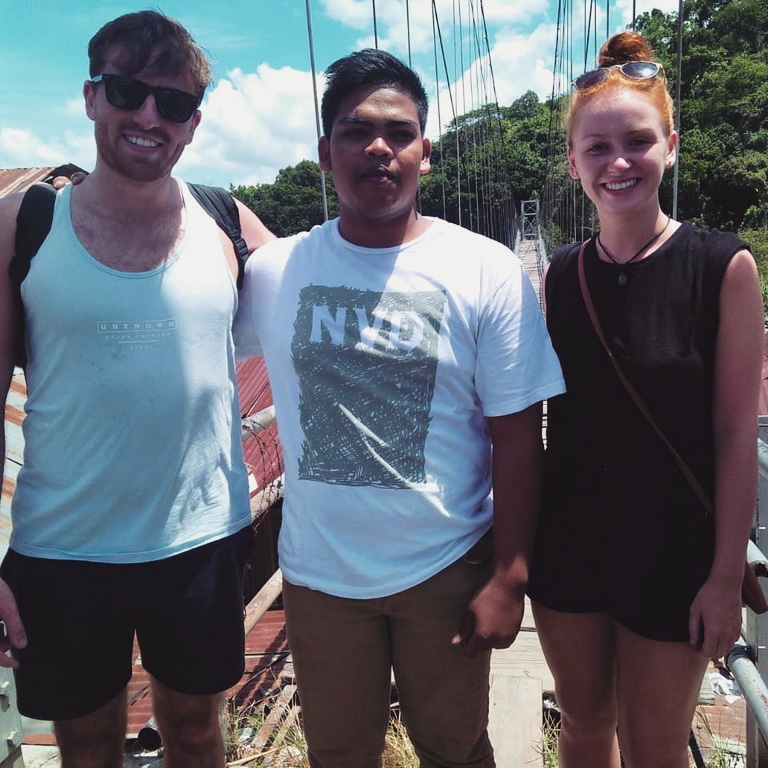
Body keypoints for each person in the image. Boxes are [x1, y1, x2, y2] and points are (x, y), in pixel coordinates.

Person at [233, 48, 565, 768]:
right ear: (325, 152)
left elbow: (517, 438)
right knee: (339, 754)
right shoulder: (273, 270)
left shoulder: (486, 269)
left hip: (445, 567)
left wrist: (509, 578)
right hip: (319, 576)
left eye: (399, 132)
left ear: (425, 152)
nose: (378, 147)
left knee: (455, 749)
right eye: (355, 131)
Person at [0, 11, 273, 768]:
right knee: (88, 747)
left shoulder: (226, 222)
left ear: (194, 123)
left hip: (200, 539)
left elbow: (327, 310)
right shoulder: (24, 224)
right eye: (128, 91)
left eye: (174, 102)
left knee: (196, 732)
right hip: (63, 545)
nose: (150, 116)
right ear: (92, 95)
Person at [526, 31, 764, 768]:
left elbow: (734, 434)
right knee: (583, 724)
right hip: (569, 541)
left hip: (673, 549)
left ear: (671, 147)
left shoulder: (722, 265)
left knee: (655, 748)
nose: (618, 162)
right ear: (573, 163)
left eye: (637, 142)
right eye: (597, 148)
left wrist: (724, 576)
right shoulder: (560, 275)